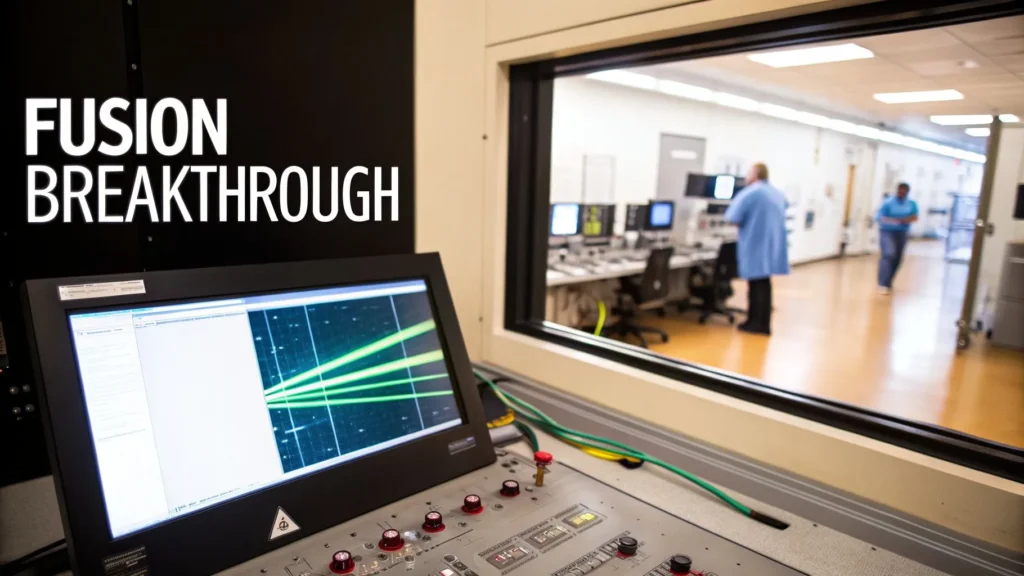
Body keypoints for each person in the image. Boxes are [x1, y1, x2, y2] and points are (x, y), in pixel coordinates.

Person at [724, 163, 790, 335]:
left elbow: (732, 217)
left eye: (748, 173)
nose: (746, 177)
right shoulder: (777, 193)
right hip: (771, 246)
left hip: (755, 244)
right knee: (764, 285)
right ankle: (763, 323)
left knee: (755, 286)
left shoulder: (751, 193)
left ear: (755, 174)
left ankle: (754, 323)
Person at [875, 182, 918, 295]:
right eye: (900, 190)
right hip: (887, 231)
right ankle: (882, 283)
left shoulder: (911, 204)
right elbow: (879, 217)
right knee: (889, 254)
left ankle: (888, 281)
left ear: (907, 192)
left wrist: (905, 220)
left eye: (904, 191)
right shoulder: (888, 202)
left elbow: (914, 217)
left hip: (902, 233)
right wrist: (893, 221)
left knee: (897, 258)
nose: (901, 193)